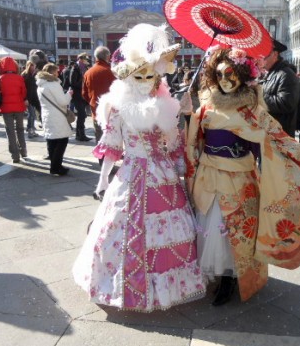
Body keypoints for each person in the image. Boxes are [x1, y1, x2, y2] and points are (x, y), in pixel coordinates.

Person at [72, 23, 206, 311]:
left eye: (150, 75)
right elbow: (111, 148)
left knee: (171, 229)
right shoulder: (118, 109)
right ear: (128, 78)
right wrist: (103, 180)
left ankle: (172, 286)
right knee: (120, 229)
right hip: (133, 174)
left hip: (164, 177)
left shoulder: (166, 106)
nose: (146, 80)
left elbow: (172, 146)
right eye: (140, 75)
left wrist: (183, 115)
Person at [186, 46, 300, 306]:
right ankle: (218, 276)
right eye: (219, 75)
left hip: (240, 181)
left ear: (243, 75)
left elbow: (274, 139)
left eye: (231, 74)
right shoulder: (206, 110)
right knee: (212, 228)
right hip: (209, 179)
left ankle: (231, 279)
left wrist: (299, 154)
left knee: (235, 232)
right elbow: (193, 145)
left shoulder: (253, 112)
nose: (225, 81)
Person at [36, 63, 73, 176]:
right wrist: (69, 94)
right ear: (52, 72)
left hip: (47, 115)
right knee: (62, 140)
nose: (58, 74)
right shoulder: (53, 84)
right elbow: (63, 101)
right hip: (57, 116)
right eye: (57, 72)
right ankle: (56, 166)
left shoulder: (41, 85)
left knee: (51, 141)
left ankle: (54, 166)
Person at [0, 57, 27, 163]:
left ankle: (15, 156)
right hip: (19, 107)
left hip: (6, 108)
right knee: (20, 129)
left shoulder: (0, 78)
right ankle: (23, 151)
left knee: (10, 131)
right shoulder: (19, 78)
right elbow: (24, 93)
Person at [261, 39, 300, 137]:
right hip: (269, 131)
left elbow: (286, 103)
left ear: (275, 54)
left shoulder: (286, 75)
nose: (261, 59)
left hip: (280, 134)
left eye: (264, 55)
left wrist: (258, 97)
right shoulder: (270, 73)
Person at [82, 46, 116, 143]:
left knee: (99, 135)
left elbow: (84, 93)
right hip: (111, 109)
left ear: (95, 57)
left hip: (96, 108)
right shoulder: (111, 71)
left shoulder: (88, 72)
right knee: (113, 135)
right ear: (108, 57)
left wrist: (92, 101)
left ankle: (101, 157)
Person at [69, 53, 92, 141]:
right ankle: (80, 134)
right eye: (86, 59)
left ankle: (79, 134)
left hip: (82, 94)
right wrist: (83, 83)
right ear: (81, 59)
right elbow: (72, 82)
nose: (87, 61)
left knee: (82, 115)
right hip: (77, 95)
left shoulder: (84, 68)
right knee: (82, 114)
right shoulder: (76, 68)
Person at [21, 61, 39, 138]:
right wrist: (25, 99)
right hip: (28, 98)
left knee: (33, 114)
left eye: (34, 66)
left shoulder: (34, 75)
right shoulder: (25, 75)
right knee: (31, 114)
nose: (33, 67)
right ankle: (30, 129)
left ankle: (30, 128)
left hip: (34, 97)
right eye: (32, 66)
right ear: (28, 66)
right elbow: (23, 88)